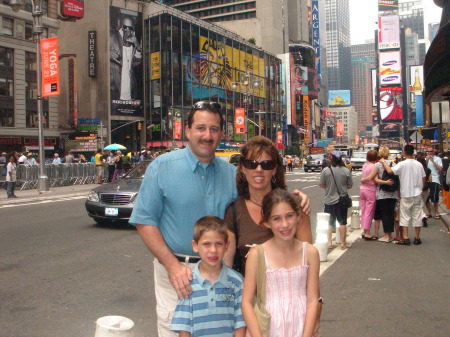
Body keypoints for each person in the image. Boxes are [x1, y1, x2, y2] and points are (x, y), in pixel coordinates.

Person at [129, 101, 312, 337]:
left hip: (222, 275)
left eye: (214, 129)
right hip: (178, 273)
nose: (207, 135)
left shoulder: (231, 175)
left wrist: (296, 199)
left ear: (221, 133)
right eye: (201, 128)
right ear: (187, 131)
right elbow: (145, 221)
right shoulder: (161, 167)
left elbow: (261, 196)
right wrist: (173, 266)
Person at [224, 136, 312, 275]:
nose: (259, 169)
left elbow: (308, 262)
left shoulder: (296, 205)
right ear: (242, 168)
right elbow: (227, 267)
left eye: (266, 164)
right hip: (248, 293)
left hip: (289, 292)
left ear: (275, 169)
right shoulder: (234, 211)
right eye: (252, 164)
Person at [242, 189, 320, 337]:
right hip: (268, 327)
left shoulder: (310, 253)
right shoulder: (257, 254)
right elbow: (246, 301)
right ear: (266, 222)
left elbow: (312, 300)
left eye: (289, 216)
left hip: (301, 324)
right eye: (277, 219)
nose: (285, 224)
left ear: (298, 216)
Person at [170, 216, 246, 337]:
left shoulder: (237, 282)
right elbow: (184, 328)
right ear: (195, 246)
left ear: (227, 246)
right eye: (206, 244)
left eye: (219, 244)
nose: (213, 250)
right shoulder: (187, 283)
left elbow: (240, 325)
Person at [381, 145, 426, 245]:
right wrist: (421, 188)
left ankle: (405, 237)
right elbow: (423, 178)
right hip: (417, 193)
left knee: (405, 216)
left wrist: (383, 162)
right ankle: (417, 237)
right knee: (417, 215)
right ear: (413, 152)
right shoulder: (419, 164)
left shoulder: (402, 164)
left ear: (405, 152)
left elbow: (390, 171)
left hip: (406, 193)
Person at [362, 146, 397, 242]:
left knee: (384, 215)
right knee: (390, 215)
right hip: (393, 193)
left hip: (382, 193)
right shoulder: (393, 163)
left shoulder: (377, 165)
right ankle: (390, 234)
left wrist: (363, 179)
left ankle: (386, 236)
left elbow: (374, 179)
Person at [319, 150, 353, 249]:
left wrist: (329, 186)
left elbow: (321, 184)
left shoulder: (326, 170)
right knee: (342, 222)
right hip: (342, 200)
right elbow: (350, 185)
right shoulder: (346, 171)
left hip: (329, 200)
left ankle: (329, 243)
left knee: (330, 223)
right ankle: (343, 243)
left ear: (332, 158)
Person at [110, 14, 142, 101]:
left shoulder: (133, 41)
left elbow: (136, 63)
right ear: (121, 26)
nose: (127, 30)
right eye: (125, 27)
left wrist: (137, 45)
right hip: (114, 89)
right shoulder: (112, 35)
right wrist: (110, 54)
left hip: (129, 94)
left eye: (130, 28)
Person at [359, 150, 378, 240]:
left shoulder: (364, 165)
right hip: (370, 189)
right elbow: (371, 177)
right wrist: (364, 179)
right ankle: (367, 232)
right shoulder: (374, 166)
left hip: (362, 189)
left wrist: (363, 180)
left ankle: (364, 230)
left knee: (363, 209)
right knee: (369, 211)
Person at [425, 147, 443, 219]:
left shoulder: (438, 159)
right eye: (428, 151)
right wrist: (427, 160)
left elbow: (440, 169)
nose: (430, 153)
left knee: (435, 197)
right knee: (426, 197)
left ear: (434, 151)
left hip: (435, 179)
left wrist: (433, 162)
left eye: (431, 151)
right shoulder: (426, 158)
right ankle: (429, 212)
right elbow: (424, 168)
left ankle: (436, 212)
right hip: (427, 180)